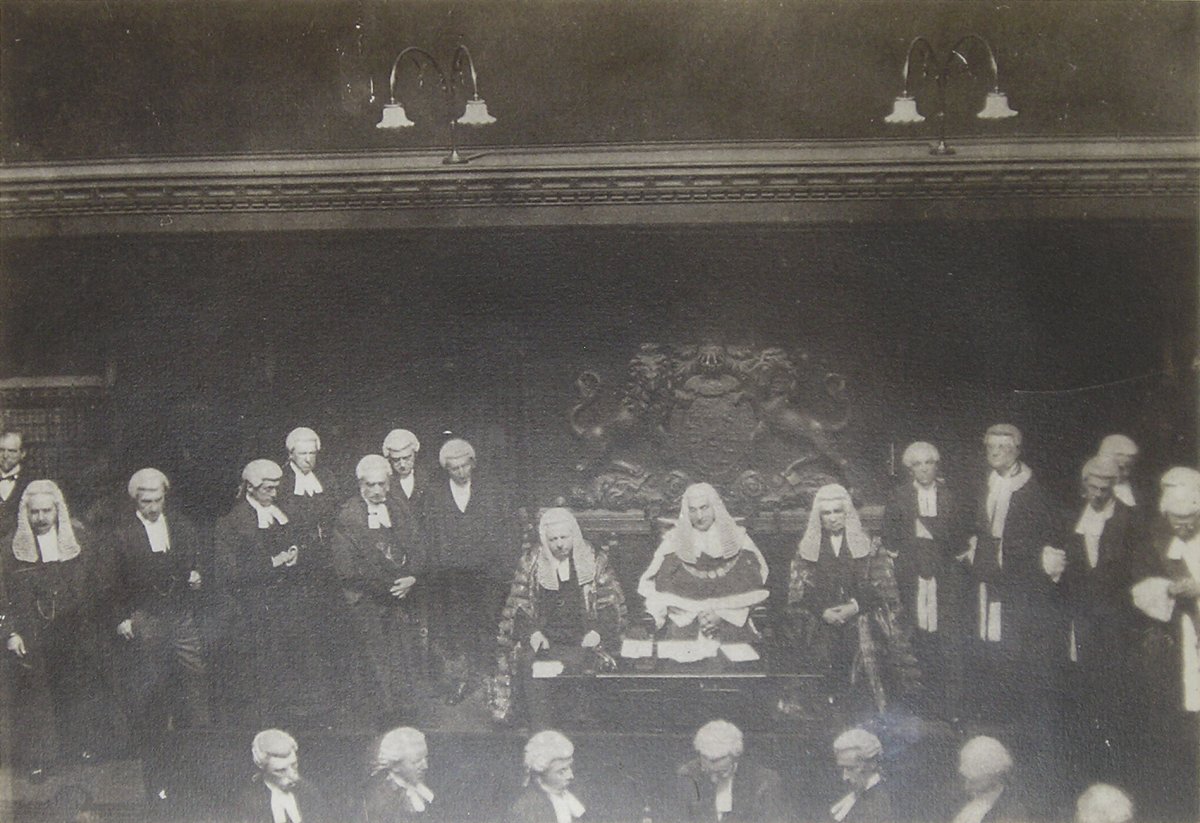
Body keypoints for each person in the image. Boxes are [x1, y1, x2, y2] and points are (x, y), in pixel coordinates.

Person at [964, 424, 1067, 805]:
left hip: (1022, 593)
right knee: (992, 660)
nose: (995, 453)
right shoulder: (985, 484)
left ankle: (1028, 767)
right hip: (988, 588)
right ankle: (997, 757)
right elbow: (979, 528)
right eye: (990, 447)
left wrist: (1009, 554)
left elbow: (1043, 539)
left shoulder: (1033, 490)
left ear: (1017, 450)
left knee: (1020, 663)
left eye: (1003, 448)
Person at [110, 468, 209, 803]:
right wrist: (122, 617)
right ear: (136, 500)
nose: (153, 507)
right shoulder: (122, 535)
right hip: (145, 617)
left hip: (180, 615)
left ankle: (196, 750)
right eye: (146, 501)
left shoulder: (181, 526)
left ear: (166, 497)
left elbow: (195, 560)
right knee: (152, 686)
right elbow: (111, 583)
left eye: (158, 500)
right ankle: (155, 762)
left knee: (194, 676)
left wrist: (196, 574)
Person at [2, 480, 105, 779]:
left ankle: (79, 749)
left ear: (57, 511)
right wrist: (10, 632)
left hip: (71, 627)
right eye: (35, 512)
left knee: (75, 688)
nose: (42, 518)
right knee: (35, 697)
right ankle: (40, 759)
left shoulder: (78, 542)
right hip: (30, 630)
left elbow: (90, 585)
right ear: (26, 514)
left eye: (47, 510)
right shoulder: (9, 548)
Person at [789, 484, 917, 710]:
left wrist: (854, 607)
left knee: (862, 649)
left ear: (847, 512)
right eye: (826, 513)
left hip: (861, 617)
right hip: (821, 620)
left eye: (837, 511)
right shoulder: (806, 549)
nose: (832, 518)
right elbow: (801, 590)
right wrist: (823, 612)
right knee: (820, 652)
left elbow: (882, 587)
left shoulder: (870, 545)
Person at [494, 508, 626, 726]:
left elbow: (610, 603)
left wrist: (596, 632)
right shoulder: (532, 563)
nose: (559, 544)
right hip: (546, 640)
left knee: (577, 668)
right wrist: (533, 633)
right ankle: (542, 731)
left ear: (573, 535)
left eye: (564, 538)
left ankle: (576, 729)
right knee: (530, 665)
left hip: (582, 639)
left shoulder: (593, 560)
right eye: (553, 539)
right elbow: (519, 606)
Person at [330, 454, 427, 723]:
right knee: (376, 657)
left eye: (381, 485)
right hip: (367, 598)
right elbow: (347, 569)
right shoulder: (348, 516)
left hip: (400, 593)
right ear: (360, 485)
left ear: (389, 484)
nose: (376, 491)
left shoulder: (398, 507)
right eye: (369, 485)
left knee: (405, 653)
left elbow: (418, 546)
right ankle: (382, 715)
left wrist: (412, 578)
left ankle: (407, 711)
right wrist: (389, 588)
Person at [1061, 455, 1138, 786]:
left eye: (1104, 489)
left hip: (1115, 621)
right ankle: (1087, 763)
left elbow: (1133, 573)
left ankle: (1115, 765)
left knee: (1113, 691)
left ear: (1114, 488)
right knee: (1084, 687)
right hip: (1082, 618)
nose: (1097, 494)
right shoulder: (1073, 518)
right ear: (1084, 485)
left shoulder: (1128, 520)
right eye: (1092, 487)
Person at [423, 437, 518, 704]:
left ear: (473, 463)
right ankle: (463, 680)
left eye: (466, 466)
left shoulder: (493, 491)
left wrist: (502, 571)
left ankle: (492, 681)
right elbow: (430, 537)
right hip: (452, 579)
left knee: (487, 626)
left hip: (488, 576)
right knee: (458, 629)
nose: (462, 472)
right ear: (446, 469)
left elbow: (507, 533)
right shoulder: (434, 494)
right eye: (455, 468)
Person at [214, 459, 310, 722]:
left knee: (287, 660)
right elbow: (230, 573)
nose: (274, 494)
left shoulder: (280, 513)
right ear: (250, 489)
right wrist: (273, 562)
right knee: (260, 666)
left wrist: (294, 553)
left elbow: (293, 541)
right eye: (268, 489)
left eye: (276, 488)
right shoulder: (231, 523)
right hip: (252, 607)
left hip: (284, 601)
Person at [881, 441, 969, 718]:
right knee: (920, 637)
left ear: (936, 465)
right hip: (913, 579)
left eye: (928, 463)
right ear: (910, 469)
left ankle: (952, 706)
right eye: (917, 464)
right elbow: (890, 536)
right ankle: (927, 702)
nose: (923, 469)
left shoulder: (950, 497)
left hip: (945, 579)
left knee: (948, 639)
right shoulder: (899, 497)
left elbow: (959, 539)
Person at [1129, 481, 1200, 821]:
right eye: (1177, 518)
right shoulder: (1156, 546)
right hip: (1175, 639)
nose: (1183, 525)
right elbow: (1140, 588)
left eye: (1190, 518)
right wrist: (1170, 588)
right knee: (1173, 717)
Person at [638, 483, 769, 644]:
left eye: (704, 508)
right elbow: (656, 589)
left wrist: (720, 616)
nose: (699, 516)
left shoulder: (739, 539)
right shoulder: (672, 541)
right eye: (693, 510)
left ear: (714, 507)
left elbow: (753, 587)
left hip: (732, 622)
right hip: (685, 623)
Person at [669, 719, 785, 823]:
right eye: (708, 771)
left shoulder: (764, 781)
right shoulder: (687, 775)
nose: (714, 779)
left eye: (720, 772)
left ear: (735, 755)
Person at [231, 729, 330, 823]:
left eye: (294, 765)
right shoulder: (248, 800)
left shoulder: (309, 792)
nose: (293, 776)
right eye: (280, 771)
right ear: (262, 766)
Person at [509, 730, 588, 823]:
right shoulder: (528, 808)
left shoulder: (575, 796)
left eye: (569, 767)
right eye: (561, 771)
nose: (571, 776)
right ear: (541, 775)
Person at [363, 727, 437, 822]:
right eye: (416, 761)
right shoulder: (382, 796)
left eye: (425, 758)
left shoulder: (425, 789)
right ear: (396, 766)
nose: (425, 766)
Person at [950, 737, 1025, 823]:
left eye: (974, 780)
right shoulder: (966, 805)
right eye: (967, 778)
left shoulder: (1011, 810)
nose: (967, 786)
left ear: (995, 775)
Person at [828, 728, 891, 823]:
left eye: (851, 768)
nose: (845, 777)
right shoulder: (855, 795)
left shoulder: (878, 803)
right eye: (842, 768)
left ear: (871, 764)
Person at [0, 430, 31, 536]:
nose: (5, 455)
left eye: (12, 451)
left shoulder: (31, 481)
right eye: (1, 450)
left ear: (23, 453)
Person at [1097, 434, 1141, 508]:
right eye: (1120, 468)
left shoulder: (1135, 495)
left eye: (1129, 467)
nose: (1126, 473)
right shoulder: (1082, 490)